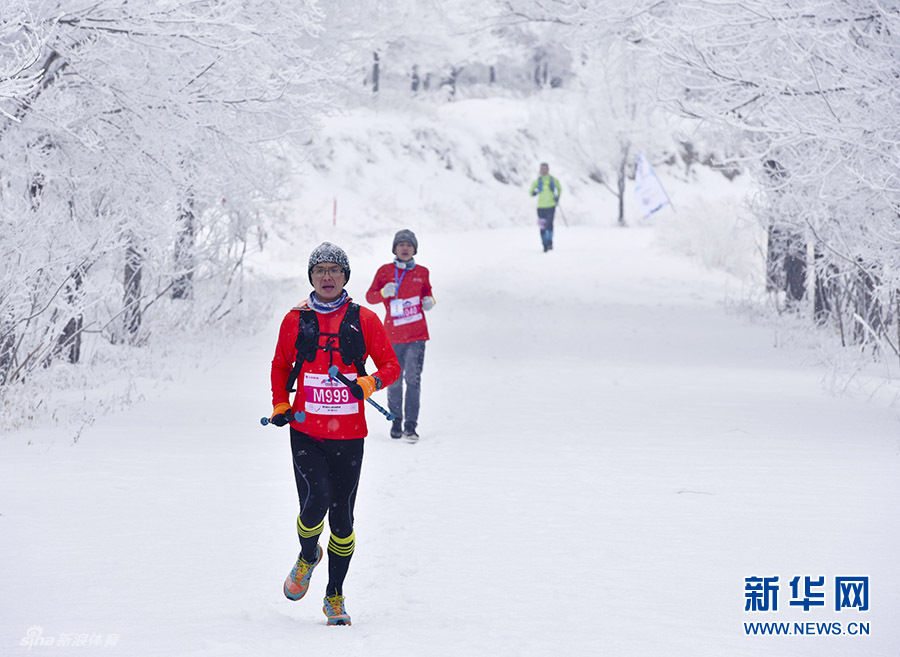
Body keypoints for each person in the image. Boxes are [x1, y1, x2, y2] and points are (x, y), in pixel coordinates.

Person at [269, 242, 400, 626]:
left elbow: (390, 365)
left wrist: (370, 383)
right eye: (320, 270)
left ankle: (334, 596)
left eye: (334, 270)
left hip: (349, 435)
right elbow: (280, 366)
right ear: (311, 277)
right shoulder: (295, 319)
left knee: (342, 520)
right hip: (306, 431)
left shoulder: (365, 319)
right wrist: (280, 404)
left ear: (345, 276)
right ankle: (308, 555)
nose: (327, 276)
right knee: (316, 502)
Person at [365, 229, 435, 441]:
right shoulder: (385, 271)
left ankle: (411, 426)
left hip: (417, 335)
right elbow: (370, 297)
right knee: (394, 381)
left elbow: (428, 294)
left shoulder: (423, 272)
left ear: (414, 249)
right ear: (395, 249)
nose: (405, 248)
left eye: (409, 245)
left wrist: (429, 301)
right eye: (401, 245)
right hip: (392, 336)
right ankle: (395, 420)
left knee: (413, 380)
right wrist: (384, 292)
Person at [529, 162, 562, 252]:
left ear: (548, 169)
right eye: (542, 168)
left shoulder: (553, 180)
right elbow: (530, 192)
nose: (543, 170)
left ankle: (549, 242)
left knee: (549, 224)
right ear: (540, 170)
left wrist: (557, 196)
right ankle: (544, 244)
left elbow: (559, 188)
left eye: (545, 168)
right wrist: (534, 192)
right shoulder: (538, 181)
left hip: (551, 206)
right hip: (541, 207)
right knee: (542, 226)